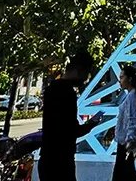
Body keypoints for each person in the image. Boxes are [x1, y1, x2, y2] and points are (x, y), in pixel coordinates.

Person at [38, 50, 104, 181]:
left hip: (48, 158)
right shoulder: (67, 93)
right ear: (78, 70)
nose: (86, 78)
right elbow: (70, 130)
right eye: (86, 72)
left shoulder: (51, 90)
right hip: (61, 161)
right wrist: (91, 124)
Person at [111, 64, 136, 181]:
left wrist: (130, 140)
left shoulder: (132, 97)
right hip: (127, 143)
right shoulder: (135, 95)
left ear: (129, 79)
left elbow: (133, 119)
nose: (119, 80)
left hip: (125, 144)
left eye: (122, 77)